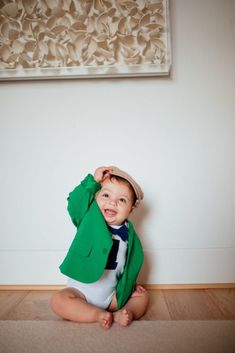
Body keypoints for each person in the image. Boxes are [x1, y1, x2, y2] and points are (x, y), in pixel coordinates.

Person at [51, 166, 149, 329]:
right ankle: (97, 315)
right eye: (106, 195)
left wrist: (131, 286)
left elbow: (129, 264)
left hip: (112, 298)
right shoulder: (87, 218)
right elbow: (75, 203)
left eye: (122, 200)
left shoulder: (130, 235)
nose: (112, 202)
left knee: (143, 297)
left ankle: (125, 313)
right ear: (95, 198)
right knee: (58, 301)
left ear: (131, 209)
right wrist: (93, 182)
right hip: (80, 292)